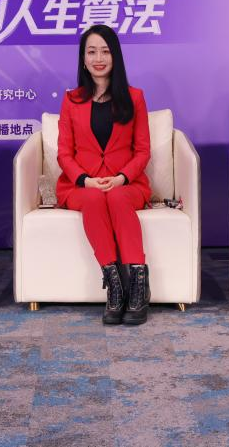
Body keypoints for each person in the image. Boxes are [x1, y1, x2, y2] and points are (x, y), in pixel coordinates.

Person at [56, 24, 152, 325]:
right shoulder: (71, 100)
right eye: (92, 52)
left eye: (105, 51)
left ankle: (138, 286)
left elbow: (142, 151)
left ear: (115, 57)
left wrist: (122, 177)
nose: (99, 58)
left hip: (127, 182)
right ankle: (115, 287)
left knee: (118, 198)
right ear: (83, 59)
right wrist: (85, 180)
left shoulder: (135, 97)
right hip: (81, 185)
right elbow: (64, 154)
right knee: (95, 199)